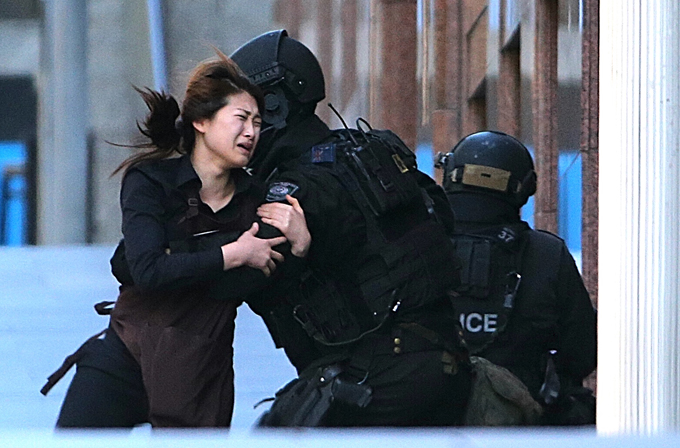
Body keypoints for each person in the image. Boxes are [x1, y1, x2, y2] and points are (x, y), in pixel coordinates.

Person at [44, 51, 312, 428]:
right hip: (125, 356)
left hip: (198, 375)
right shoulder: (152, 181)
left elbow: (258, 288)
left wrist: (300, 246)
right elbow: (146, 269)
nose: (252, 132)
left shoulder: (257, 200)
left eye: (257, 122)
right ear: (201, 121)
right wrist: (233, 253)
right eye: (241, 118)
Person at [230, 30, 472, 427]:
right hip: (446, 360)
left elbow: (241, 280)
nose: (242, 129)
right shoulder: (372, 152)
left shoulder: (296, 190)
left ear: (274, 106)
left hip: (375, 375)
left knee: (275, 434)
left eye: (244, 114)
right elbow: (442, 219)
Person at [436, 130, 597, 425]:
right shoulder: (547, 254)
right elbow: (582, 352)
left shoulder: (412, 245)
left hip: (420, 419)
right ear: (524, 189)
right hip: (524, 426)